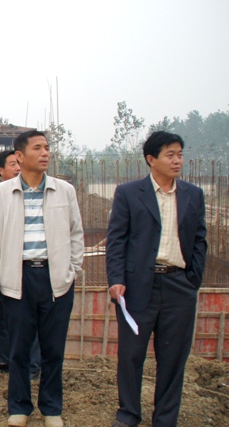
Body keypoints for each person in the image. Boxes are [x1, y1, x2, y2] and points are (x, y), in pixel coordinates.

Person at [0, 130, 84, 427]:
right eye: (37, 148)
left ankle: (51, 408)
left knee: (53, 348)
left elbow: (76, 234)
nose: (45, 153)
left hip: (56, 279)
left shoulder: (64, 191)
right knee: (19, 348)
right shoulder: (1, 194)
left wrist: (72, 270)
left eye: (47, 147)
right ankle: (19, 406)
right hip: (17, 278)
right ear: (19, 156)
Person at [106, 131, 207, 427]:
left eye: (180, 154)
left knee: (174, 357)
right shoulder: (129, 193)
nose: (177, 161)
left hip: (179, 286)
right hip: (137, 287)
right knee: (131, 355)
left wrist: (192, 279)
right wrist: (116, 279)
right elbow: (117, 240)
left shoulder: (193, 194)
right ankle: (128, 414)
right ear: (151, 159)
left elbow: (200, 240)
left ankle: (165, 418)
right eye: (170, 155)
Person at [0, 150, 41, 379]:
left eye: (19, 162)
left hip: (28, 264)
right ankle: (2, 357)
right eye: (12, 164)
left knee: (29, 317)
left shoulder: (34, 193)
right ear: (1, 170)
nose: (17, 167)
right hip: (2, 264)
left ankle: (32, 365)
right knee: (0, 315)